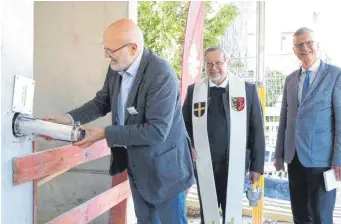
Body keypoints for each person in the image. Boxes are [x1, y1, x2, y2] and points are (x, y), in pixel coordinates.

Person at [44, 18, 194, 224]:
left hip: (166, 171)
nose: (106, 56)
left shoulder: (161, 74)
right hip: (138, 169)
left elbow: (156, 131)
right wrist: (68, 119)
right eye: (104, 49)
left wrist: (106, 133)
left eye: (110, 50)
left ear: (133, 48)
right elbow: (101, 102)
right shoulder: (117, 66)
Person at [182, 46, 265, 222]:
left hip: (235, 163)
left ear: (228, 62)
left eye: (218, 63)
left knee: (232, 211)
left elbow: (257, 129)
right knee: (208, 213)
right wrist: (188, 148)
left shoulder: (246, 90)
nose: (214, 68)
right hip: (205, 164)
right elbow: (184, 126)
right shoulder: (195, 91)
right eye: (209, 64)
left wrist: (257, 166)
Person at [274, 27, 341, 224]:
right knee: (299, 215)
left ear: (317, 45)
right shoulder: (290, 79)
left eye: (308, 43)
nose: (304, 47)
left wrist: (340, 158)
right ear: (294, 50)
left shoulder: (336, 75)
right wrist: (279, 153)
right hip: (294, 158)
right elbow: (285, 119)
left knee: (321, 217)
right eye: (299, 45)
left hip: (323, 161)